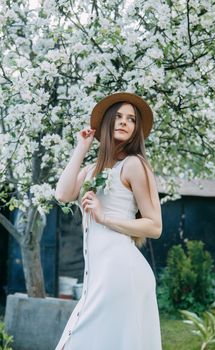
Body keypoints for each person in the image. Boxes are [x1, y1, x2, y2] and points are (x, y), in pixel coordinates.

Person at [54, 92, 163, 350]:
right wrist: (81, 149)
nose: (124, 122)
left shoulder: (134, 165)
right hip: (98, 276)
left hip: (123, 274)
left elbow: (154, 226)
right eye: (119, 117)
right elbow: (62, 194)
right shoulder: (91, 171)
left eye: (131, 119)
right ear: (107, 121)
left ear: (136, 129)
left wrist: (104, 217)